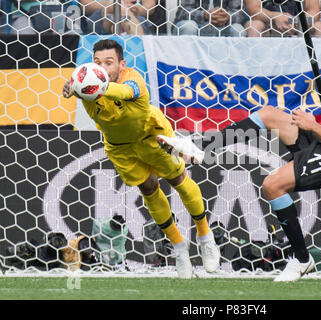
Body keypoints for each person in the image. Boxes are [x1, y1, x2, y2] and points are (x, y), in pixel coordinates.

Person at [157, 32, 321, 282]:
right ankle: (201, 147)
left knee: (272, 185)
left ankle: (302, 259)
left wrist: (312, 126)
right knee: (269, 114)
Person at [62, 39, 221, 279]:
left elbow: (128, 92)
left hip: (152, 136)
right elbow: (83, 87)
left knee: (178, 179)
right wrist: (73, 85)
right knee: (149, 188)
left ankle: (204, 235)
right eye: (97, 63)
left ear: (121, 64)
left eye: (109, 62)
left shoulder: (132, 78)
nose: (102, 68)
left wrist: (91, 85)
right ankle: (179, 247)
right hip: (120, 147)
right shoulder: (87, 88)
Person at [244, 0, 321, 37]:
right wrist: (274, 17)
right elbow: (253, 9)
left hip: (299, 24)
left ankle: (319, 69)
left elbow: (314, 11)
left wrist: (299, 22)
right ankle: (257, 70)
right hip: (268, 23)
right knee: (253, 26)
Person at [172, 0, 248, 37]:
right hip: (196, 26)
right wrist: (205, 15)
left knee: (238, 29)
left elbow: (239, 14)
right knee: (188, 26)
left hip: (222, 27)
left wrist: (226, 16)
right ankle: (187, 66)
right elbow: (182, 12)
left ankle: (233, 67)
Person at [79, 0, 157, 35]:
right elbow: (85, 4)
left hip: (136, 18)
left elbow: (150, 7)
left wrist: (136, 9)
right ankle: (140, 53)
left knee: (115, 28)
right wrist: (113, 4)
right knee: (116, 6)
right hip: (100, 18)